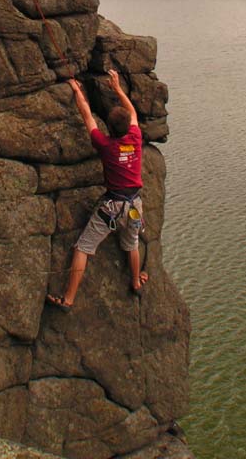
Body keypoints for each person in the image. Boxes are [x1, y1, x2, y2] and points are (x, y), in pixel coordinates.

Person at [47, 69, 149, 312]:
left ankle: (69, 299)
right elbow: (133, 112)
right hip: (135, 204)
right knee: (132, 243)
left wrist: (76, 90)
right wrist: (117, 89)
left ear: (110, 129)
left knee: (83, 247)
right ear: (126, 127)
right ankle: (135, 281)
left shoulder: (105, 145)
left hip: (112, 207)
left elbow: (87, 116)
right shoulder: (135, 137)